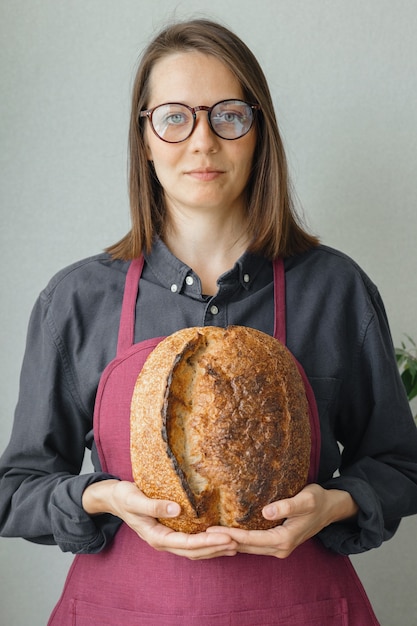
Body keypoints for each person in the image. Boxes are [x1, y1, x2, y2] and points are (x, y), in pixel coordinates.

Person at [1, 18, 416, 625]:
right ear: (143, 139)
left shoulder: (336, 290)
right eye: (174, 117)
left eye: (228, 115)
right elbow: (16, 489)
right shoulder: (76, 300)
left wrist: (334, 504)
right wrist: (102, 497)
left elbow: (401, 465)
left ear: (258, 131)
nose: (202, 141)